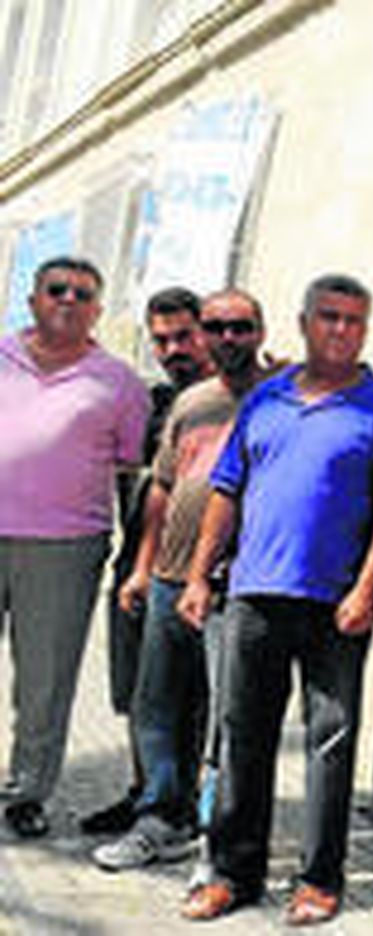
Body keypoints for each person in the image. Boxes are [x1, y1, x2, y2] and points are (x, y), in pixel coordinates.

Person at [175, 273, 373, 925]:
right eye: (330, 317)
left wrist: (370, 590)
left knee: (330, 742)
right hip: (255, 593)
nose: (342, 329)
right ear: (304, 322)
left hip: (335, 603)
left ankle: (319, 879)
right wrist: (201, 576)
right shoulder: (266, 401)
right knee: (242, 737)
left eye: (354, 320)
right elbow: (227, 488)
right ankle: (233, 872)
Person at [92, 288, 275, 871]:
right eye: (216, 328)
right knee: (155, 705)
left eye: (237, 327)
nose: (225, 339)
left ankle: (217, 835)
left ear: (260, 331)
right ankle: (158, 819)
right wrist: (143, 568)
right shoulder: (189, 403)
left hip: (234, 584)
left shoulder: (281, 399)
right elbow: (162, 490)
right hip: (168, 577)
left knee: (227, 716)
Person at [0, 256, 149, 839]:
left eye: (82, 293)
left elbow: (131, 470)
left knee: (45, 680)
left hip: (64, 547)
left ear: (97, 310)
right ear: (33, 299)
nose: (68, 298)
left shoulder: (118, 383)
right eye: (55, 288)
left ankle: (26, 792)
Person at [84, 285, 214, 837]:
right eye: (161, 340)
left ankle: (177, 808)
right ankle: (145, 793)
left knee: (187, 700)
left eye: (183, 336)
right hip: (137, 566)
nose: (173, 349)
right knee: (138, 693)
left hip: (201, 576)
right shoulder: (152, 403)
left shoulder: (238, 396)